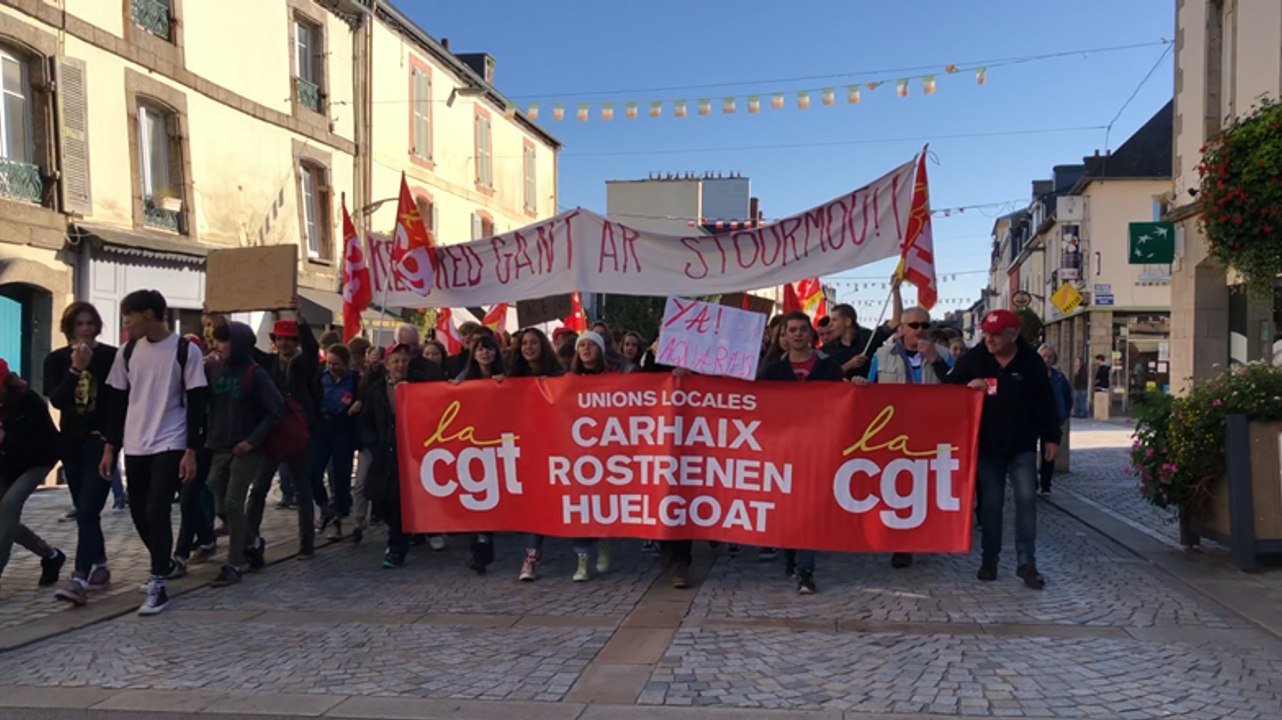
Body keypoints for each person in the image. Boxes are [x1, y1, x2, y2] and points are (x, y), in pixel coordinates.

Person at [100, 290, 209, 615]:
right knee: (139, 511)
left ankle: (158, 582)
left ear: (148, 314)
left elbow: (197, 403)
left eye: (129, 317)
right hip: (135, 443)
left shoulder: (184, 351)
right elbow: (117, 402)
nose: (126, 324)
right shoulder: (128, 351)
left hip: (170, 441)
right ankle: (163, 562)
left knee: (157, 507)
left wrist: (190, 449)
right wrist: (110, 447)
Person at [945, 309, 1060, 590]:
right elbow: (949, 388)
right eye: (986, 333)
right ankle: (989, 560)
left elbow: (1046, 402)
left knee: (1026, 502)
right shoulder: (975, 359)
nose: (989, 339)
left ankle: (1026, 563)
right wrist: (966, 387)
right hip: (987, 447)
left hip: (1022, 445)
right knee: (991, 506)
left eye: (996, 334)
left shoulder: (1030, 362)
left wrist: (1051, 438)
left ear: (1013, 335)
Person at [856, 298, 953, 570]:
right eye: (914, 325)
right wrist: (861, 384)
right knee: (900, 488)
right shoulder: (881, 355)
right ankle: (900, 545)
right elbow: (871, 388)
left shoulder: (943, 354)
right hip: (895, 433)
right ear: (901, 329)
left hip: (930, 431)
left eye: (925, 325)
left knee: (928, 488)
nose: (920, 330)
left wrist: (934, 360)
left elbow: (956, 388)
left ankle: (927, 536)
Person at [762, 311, 844, 594]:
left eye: (802, 329)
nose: (797, 334)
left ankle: (805, 569)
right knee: (787, 507)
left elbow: (842, 404)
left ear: (811, 334)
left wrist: (856, 387)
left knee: (809, 508)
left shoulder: (830, 367)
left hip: (817, 449)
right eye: (791, 330)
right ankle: (791, 557)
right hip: (783, 450)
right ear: (783, 335)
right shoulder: (772, 371)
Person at [44, 302, 117, 604]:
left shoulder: (112, 357)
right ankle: (99, 563)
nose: (85, 330)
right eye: (79, 324)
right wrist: (76, 368)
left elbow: (117, 404)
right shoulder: (57, 360)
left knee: (88, 509)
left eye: (90, 324)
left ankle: (79, 578)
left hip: (100, 441)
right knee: (86, 509)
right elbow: (58, 400)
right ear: (70, 329)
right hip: (71, 443)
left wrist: (112, 445)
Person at [205, 322, 285, 586]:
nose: (218, 346)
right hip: (219, 445)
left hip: (245, 448)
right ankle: (253, 541)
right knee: (219, 502)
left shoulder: (255, 373)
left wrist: (252, 441)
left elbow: (276, 410)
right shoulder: (214, 369)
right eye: (216, 341)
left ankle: (233, 564)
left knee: (233, 502)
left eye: (223, 341)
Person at [247, 301, 318, 561]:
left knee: (303, 488)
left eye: (290, 339)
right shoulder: (267, 363)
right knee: (258, 489)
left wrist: (301, 322)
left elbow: (312, 349)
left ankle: (307, 542)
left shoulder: (304, 364)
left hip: (297, 431)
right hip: (274, 431)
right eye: (281, 339)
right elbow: (246, 348)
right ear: (274, 340)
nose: (285, 344)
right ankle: (251, 540)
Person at [502, 328, 563, 581]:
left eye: (533, 343)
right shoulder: (511, 376)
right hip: (520, 446)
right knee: (531, 502)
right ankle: (530, 553)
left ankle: (535, 554)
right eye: (524, 343)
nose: (528, 347)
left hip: (552, 445)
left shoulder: (559, 375)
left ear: (543, 346)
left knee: (545, 501)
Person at [0, 358, 65, 595]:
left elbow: (38, 442)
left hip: (37, 460)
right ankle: (51, 555)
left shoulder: (29, 401)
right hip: (6, 463)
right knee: (5, 518)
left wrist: (7, 436)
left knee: (8, 507)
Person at [454, 334, 506, 574]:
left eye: (489, 349)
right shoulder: (464, 378)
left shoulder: (507, 376)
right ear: (473, 354)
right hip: (472, 445)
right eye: (480, 350)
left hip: (500, 444)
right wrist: (451, 390)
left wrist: (505, 385)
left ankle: (487, 540)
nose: (485, 353)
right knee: (477, 496)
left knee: (495, 496)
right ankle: (479, 546)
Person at [360, 344, 412, 568]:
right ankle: (398, 534)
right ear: (387, 365)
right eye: (395, 361)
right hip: (383, 451)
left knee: (400, 499)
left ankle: (397, 547)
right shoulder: (377, 391)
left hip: (408, 452)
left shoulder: (416, 387)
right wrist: (372, 442)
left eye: (403, 361)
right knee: (381, 496)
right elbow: (366, 422)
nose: (400, 365)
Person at [568, 331, 613, 581]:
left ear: (601, 350)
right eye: (582, 345)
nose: (586, 349)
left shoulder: (615, 379)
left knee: (603, 502)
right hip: (576, 452)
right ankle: (582, 558)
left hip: (606, 452)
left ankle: (605, 540)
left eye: (591, 345)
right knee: (580, 505)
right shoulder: (567, 380)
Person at [308, 344, 361, 541]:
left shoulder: (355, 380)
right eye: (329, 363)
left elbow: (364, 395)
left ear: (347, 364)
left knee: (340, 476)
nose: (331, 367)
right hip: (322, 426)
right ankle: (324, 507)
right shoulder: (320, 377)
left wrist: (358, 403)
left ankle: (337, 519)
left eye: (336, 364)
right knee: (312, 472)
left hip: (343, 427)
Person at [822, 295, 900, 379]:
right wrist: (849, 365)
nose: (830, 325)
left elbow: (896, 321)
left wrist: (896, 290)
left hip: (871, 391)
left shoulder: (868, 338)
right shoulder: (827, 349)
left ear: (847, 322)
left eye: (834, 320)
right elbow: (823, 377)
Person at [1038, 344, 1073, 496]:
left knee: (1049, 454)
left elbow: (1067, 397)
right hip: (1032, 419)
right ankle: (1030, 481)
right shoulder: (1031, 375)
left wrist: (1063, 414)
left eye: (1049, 357)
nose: (1046, 360)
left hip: (1051, 420)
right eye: (1043, 356)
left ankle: (1046, 484)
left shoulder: (1058, 378)